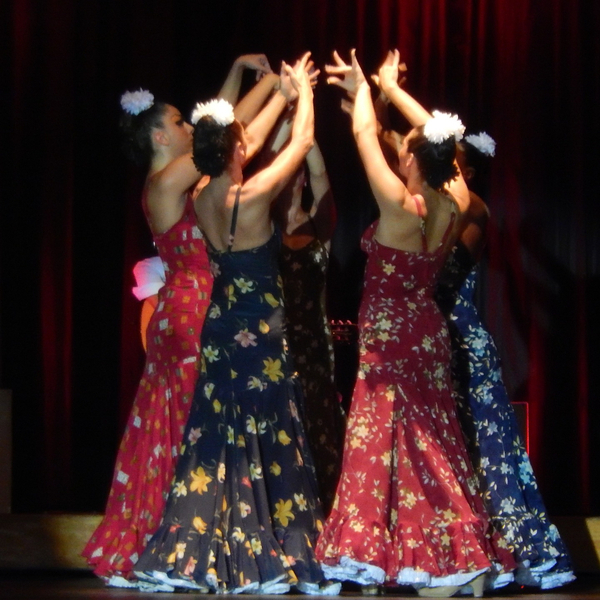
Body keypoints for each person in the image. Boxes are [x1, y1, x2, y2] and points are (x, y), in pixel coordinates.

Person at [134, 54, 340, 595]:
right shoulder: (250, 196)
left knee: (215, 439)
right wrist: (300, 96)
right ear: (237, 151)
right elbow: (300, 145)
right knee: (272, 436)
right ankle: (286, 551)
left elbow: (225, 141)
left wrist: (274, 96)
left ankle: (189, 552)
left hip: (221, 329)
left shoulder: (201, 199)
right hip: (264, 338)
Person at [314, 49, 516, 597]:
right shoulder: (455, 197)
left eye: (402, 148)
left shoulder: (402, 208)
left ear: (410, 160)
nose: (396, 149)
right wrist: (390, 88)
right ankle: (462, 555)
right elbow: (434, 137)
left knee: (386, 445)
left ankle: (434, 565)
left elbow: (362, 140)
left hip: (389, 342)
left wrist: (362, 93)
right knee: (437, 441)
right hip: (425, 331)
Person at [82, 54, 281, 587]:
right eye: (176, 122)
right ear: (159, 139)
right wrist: (271, 90)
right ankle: (173, 544)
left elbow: (235, 138)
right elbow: (221, 137)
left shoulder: (176, 178)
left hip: (191, 311)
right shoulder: (167, 184)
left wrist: (261, 85)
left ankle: (182, 541)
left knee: (182, 425)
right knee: (189, 426)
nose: (187, 126)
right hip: (189, 313)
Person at [435, 133, 576, 589]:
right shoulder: (434, 205)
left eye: (452, 163)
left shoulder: (471, 205)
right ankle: (472, 553)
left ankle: (516, 553)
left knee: (490, 453)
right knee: (457, 453)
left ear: (468, 172)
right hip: (437, 342)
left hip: (466, 343)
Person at [266, 120, 345, 515]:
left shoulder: (319, 226)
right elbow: (266, 161)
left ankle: (323, 517)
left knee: (317, 424)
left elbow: (321, 175)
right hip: (275, 342)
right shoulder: (262, 229)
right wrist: (284, 132)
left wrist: (306, 131)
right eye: (288, 171)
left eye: (298, 172)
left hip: (314, 344)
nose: (296, 178)